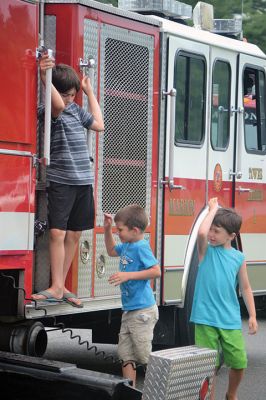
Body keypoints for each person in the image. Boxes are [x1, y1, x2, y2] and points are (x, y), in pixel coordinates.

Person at [32, 53, 104, 307]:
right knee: (57, 233)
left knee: (74, 234)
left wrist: (89, 91)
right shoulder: (50, 109)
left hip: (83, 180)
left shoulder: (76, 110)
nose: (68, 99)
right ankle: (56, 285)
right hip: (62, 179)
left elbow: (98, 124)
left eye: (72, 95)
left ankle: (61, 286)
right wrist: (44, 76)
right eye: (64, 94)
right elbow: (58, 105)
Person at [190, 198, 258, 400]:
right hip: (204, 318)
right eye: (211, 228)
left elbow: (245, 287)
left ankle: (231, 394)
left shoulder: (238, 258)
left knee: (239, 362)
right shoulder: (206, 252)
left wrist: (253, 315)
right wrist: (212, 210)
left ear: (232, 236)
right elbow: (201, 233)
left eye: (216, 231)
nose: (211, 234)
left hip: (229, 319)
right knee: (207, 366)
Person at [104, 204, 161, 387]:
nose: (118, 232)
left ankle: (157, 390)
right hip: (129, 311)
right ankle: (130, 392)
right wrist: (107, 230)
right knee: (126, 355)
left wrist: (127, 275)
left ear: (135, 230)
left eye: (120, 229)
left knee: (143, 356)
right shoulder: (127, 245)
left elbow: (156, 271)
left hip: (143, 311)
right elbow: (112, 251)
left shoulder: (141, 247)